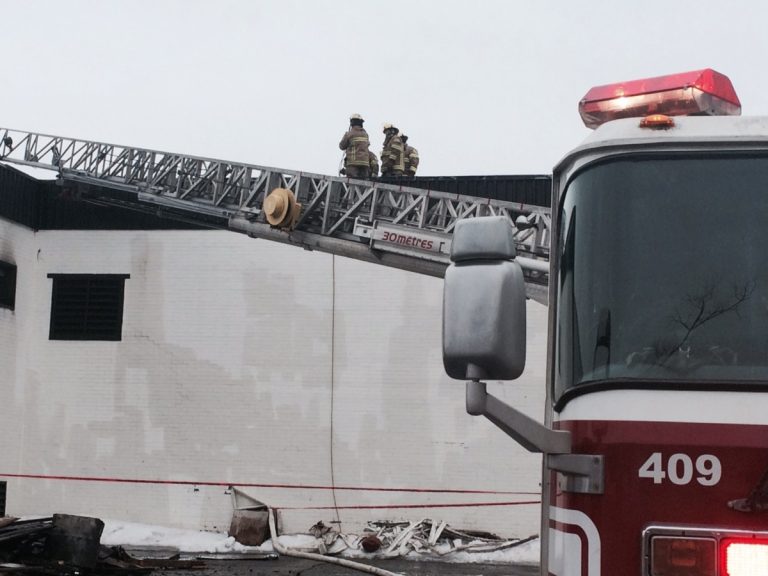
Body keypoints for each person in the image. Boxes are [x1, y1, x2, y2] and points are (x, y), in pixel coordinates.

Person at [338, 114, 371, 178]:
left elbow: (341, 146)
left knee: (352, 183)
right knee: (363, 184)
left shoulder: (349, 134)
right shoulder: (365, 134)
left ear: (352, 123)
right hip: (365, 163)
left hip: (353, 163)